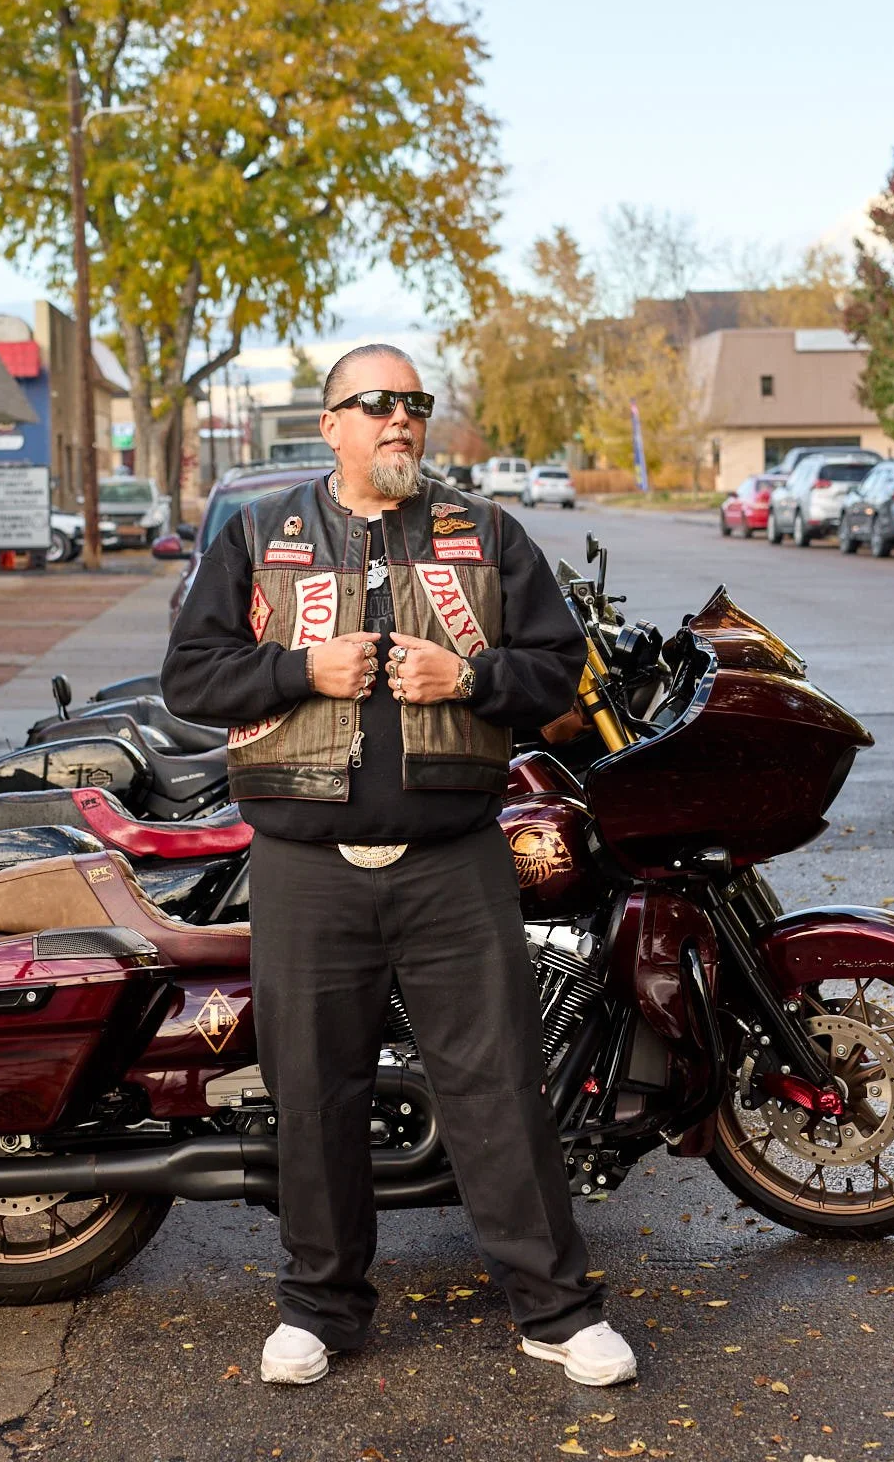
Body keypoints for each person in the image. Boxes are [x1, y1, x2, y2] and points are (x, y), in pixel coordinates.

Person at [161, 343, 636, 1389]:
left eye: (413, 404)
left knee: (498, 1084)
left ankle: (555, 1308)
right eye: (373, 404)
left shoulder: (487, 533)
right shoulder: (256, 534)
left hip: (452, 858)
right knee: (312, 1087)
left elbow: (558, 668)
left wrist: (466, 674)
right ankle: (319, 1308)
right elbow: (190, 674)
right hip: (304, 862)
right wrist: (298, 669)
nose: (398, 420)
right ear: (328, 425)